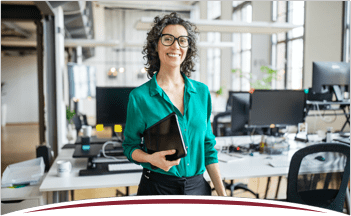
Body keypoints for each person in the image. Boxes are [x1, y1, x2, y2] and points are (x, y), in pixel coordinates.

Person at [122, 12, 226, 196]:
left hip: (198, 189)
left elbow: (208, 147)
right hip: (157, 188)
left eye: (182, 40)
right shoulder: (140, 97)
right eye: (168, 39)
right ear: (156, 45)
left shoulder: (202, 92)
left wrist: (223, 195)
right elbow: (130, 146)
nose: (176, 46)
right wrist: (150, 158)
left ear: (188, 47)